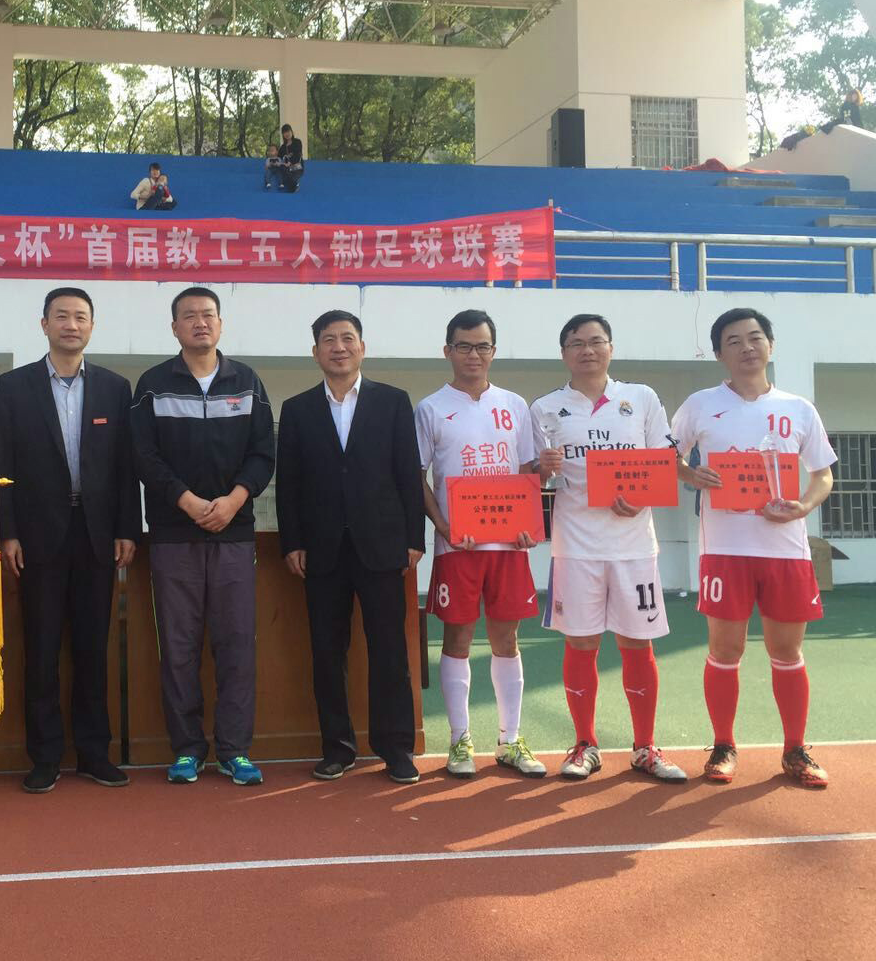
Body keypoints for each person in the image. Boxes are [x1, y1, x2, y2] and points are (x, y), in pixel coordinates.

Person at [672, 308, 836, 788]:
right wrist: (690, 473)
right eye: (734, 341)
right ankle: (723, 745)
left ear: (770, 345)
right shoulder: (701, 405)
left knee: (787, 651)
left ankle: (794, 749)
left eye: (755, 337)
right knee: (725, 649)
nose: (747, 347)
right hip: (725, 549)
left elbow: (822, 474)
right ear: (718, 353)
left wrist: (804, 506)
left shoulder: (798, 408)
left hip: (786, 550)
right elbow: (666, 456)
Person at [0, 288, 141, 794]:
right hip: (37, 537)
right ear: (44, 324)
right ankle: (45, 756)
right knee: (42, 648)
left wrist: (127, 527)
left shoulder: (115, 388)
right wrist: (7, 531)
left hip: (97, 535)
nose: (71, 325)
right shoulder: (13, 387)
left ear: (91, 326)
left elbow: (125, 467)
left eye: (80, 317)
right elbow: (1, 463)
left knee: (93, 648)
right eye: (61, 316)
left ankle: (95, 753)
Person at [532, 314, 687, 783]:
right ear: (564, 353)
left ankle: (645, 747)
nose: (587, 350)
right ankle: (585, 744)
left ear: (611, 349)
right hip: (575, 546)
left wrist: (641, 496)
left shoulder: (641, 398)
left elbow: (665, 461)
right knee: (581, 643)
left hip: (634, 546)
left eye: (596, 341)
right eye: (576, 343)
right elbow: (533, 480)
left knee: (637, 644)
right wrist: (541, 469)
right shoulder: (545, 408)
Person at [130, 288, 274, 786]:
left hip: (234, 534)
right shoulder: (153, 385)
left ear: (221, 324)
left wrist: (234, 499)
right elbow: (144, 456)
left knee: (236, 644)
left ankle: (235, 750)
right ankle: (187, 749)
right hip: (174, 535)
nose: (199, 323)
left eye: (208, 315)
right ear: (174, 328)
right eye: (188, 316)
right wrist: (186, 501)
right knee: (178, 645)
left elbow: (263, 453)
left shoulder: (247, 382)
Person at [276, 310, 425, 784]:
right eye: (328, 340)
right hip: (321, 550)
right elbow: (289, 483)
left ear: (362, 347)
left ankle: (395, 748)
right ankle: (337, 748)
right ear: (315, 351)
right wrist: (292, 541)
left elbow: (408, 472)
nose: (338, 347)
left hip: (382, 546)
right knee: (327, 653)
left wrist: (414, 538)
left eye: (347, 338)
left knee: (390, 652)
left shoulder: (393, 401)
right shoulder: (297, 409)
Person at [415, 310, 546, 779]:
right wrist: (444, 526)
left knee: (507, 640)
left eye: (482, 346)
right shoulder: (431, 408)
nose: (474, 355)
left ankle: (510, 740)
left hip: (508, 547)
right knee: (458, 639)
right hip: (460, 548)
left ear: (494, 350)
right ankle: (460, 740)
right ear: (447, 351)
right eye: (464, 346)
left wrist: (528, 522)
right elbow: (417, 476)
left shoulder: (514, 404)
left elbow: (527, 470)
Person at [276, 124, 304, 192]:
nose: (287, 134)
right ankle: (294, 186)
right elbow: (278, 158)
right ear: (283, 135)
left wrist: (290, 162)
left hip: (297, 167)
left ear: (291, 132)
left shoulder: (297, 142)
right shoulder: (282, 147)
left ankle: (294, 185)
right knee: (283, 170)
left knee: (291, 179)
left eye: (288, 131)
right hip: (287, 169)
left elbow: (298, 154)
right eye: (284, 132)